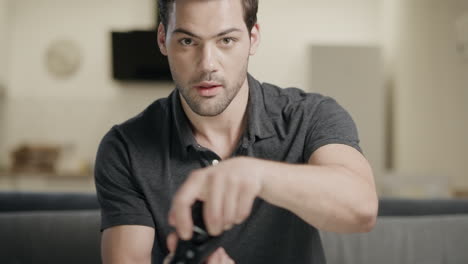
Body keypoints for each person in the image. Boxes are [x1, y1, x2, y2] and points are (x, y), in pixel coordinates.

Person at [94, 0, 379, 263]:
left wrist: (256, 174)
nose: (207, 64)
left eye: (226, 40)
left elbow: (361, 210)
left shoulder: (311, 115)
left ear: (253, 38)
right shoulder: (125, 147)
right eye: (187, 41)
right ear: (162, 40)